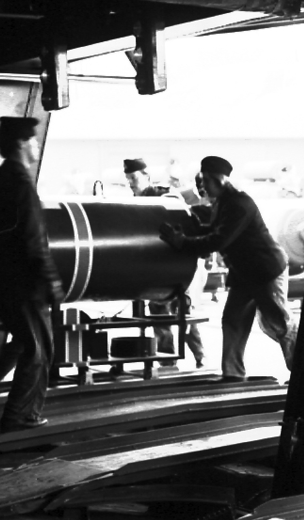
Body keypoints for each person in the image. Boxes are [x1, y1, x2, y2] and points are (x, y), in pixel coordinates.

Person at [160, 156, 295, 380]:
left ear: (220, 180)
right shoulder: (223, 202)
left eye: (205, 181)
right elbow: (213, 230)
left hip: (265, 270)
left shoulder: (240, 204)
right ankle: (233, 374)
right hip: (244, 272)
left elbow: (218, 240)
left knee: (279, 323)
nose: (202, 186)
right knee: (233, 320)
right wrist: (189, 231)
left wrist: (182, 242)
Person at [0, 116, 64, 433]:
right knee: (39, 348)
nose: (36, 145)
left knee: (25, 340)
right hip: (23, 281)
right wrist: (52, 281)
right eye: (33, 140)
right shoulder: (22, 185)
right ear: (21, 144)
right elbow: (35, 241)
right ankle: (20, 417)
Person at [124, 156, 204, 370]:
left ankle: (199, 356)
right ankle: (168, 361)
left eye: (133, 178)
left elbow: (180, 212)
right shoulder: (132, 203)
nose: (130, 183)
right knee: (159, 314)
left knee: (184, 311)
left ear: (146, 176)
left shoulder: (162, 194)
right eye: (128, 178)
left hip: (176, 265)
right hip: (154, 268)